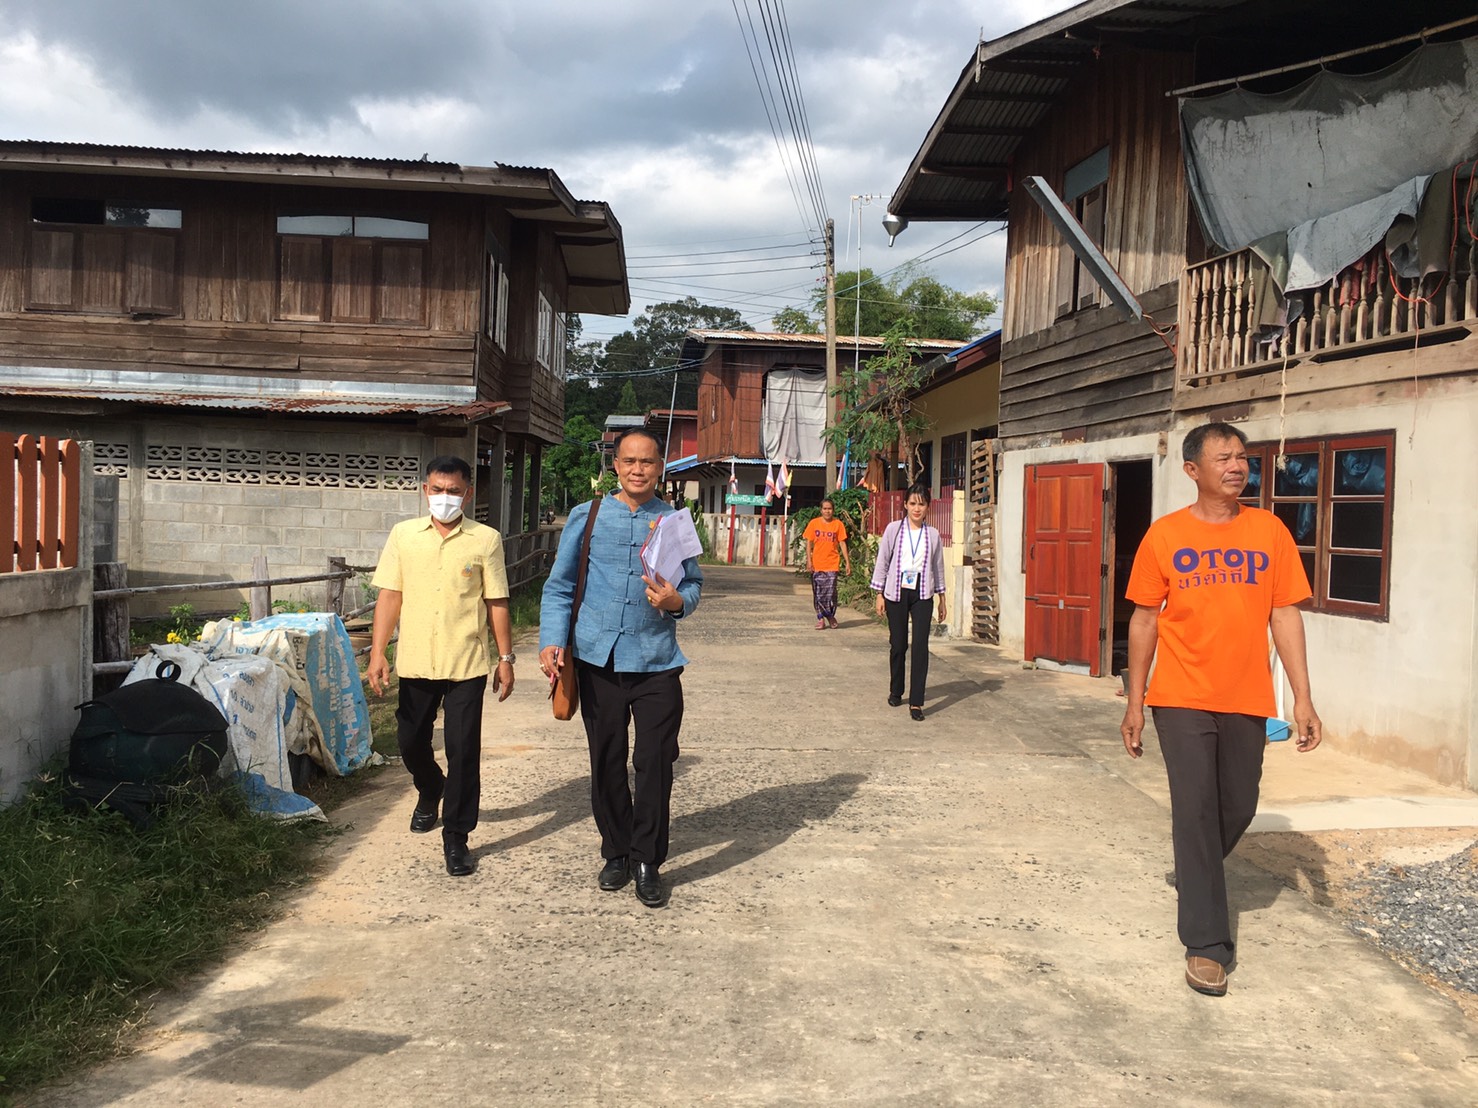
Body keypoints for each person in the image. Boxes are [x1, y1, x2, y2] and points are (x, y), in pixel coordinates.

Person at [1120, 421, 1322, 998]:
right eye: (1224, 458)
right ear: (1193, 471)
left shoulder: (1270, 532)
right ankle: (1206, 944)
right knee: (1195, 809)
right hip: (1179, 695)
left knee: (1238, 802)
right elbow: (1145, 619)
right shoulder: (1165, 536)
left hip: (1247, 695)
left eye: (1242, 457)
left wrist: (1302, 696)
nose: (1237, 466)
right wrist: (1135, 701)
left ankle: (1195, 868)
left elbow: (1285, 614)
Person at [538, 429, 703, 909]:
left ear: (660, 467)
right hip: (597, 660)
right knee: (606, 759)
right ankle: (616, 851)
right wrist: (552, 639)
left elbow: (693, 586)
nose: (638, 469)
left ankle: (648, 859)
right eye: (629, 461)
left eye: (647, 462)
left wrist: (677, 603)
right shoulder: (586, 516)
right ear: (615, 465)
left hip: (657, 663)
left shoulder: (675, 522)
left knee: (654, 763)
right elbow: (560, 586)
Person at [366, 455, 515, 878]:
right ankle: (430, 788)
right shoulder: (404, 535)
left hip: (466, 662)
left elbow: (496, 601)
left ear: (467, 493)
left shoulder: (485, 539)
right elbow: (390, 596)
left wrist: (505, 659)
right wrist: (378, 652)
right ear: (425, 489)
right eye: (437, 489)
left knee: (463, 752)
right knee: (411, 742)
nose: (444, 497)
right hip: (415, 660)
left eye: (453, 491)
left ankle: (456, 838)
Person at [870, 483, 947, 721]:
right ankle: (896, 690)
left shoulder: (932, 535)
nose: (916, 508)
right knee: (899, 644)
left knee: (921, 646)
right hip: (896, 592)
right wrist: (879, 593)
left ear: (927, 507)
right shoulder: (893, 530)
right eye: (912, 503)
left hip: (923, 594)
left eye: (921, 504)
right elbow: (883, 562)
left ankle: (916, 702)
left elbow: (938, 567)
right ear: (905, 505)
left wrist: (942, 598)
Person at [802, 496, 852, 629]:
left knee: (830, 593)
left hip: (832, 564)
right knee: (818, 593)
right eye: (825, 509)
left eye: (829, 509)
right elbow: (809, 543)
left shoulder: (838, 525)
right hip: (817, 564)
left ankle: (830, 615)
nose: (827, 511)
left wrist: (847, 562)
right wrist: (809, 560)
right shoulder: (814, 523)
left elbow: (842, 543)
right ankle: (821, 619)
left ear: (833, 510)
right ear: (821, 510)